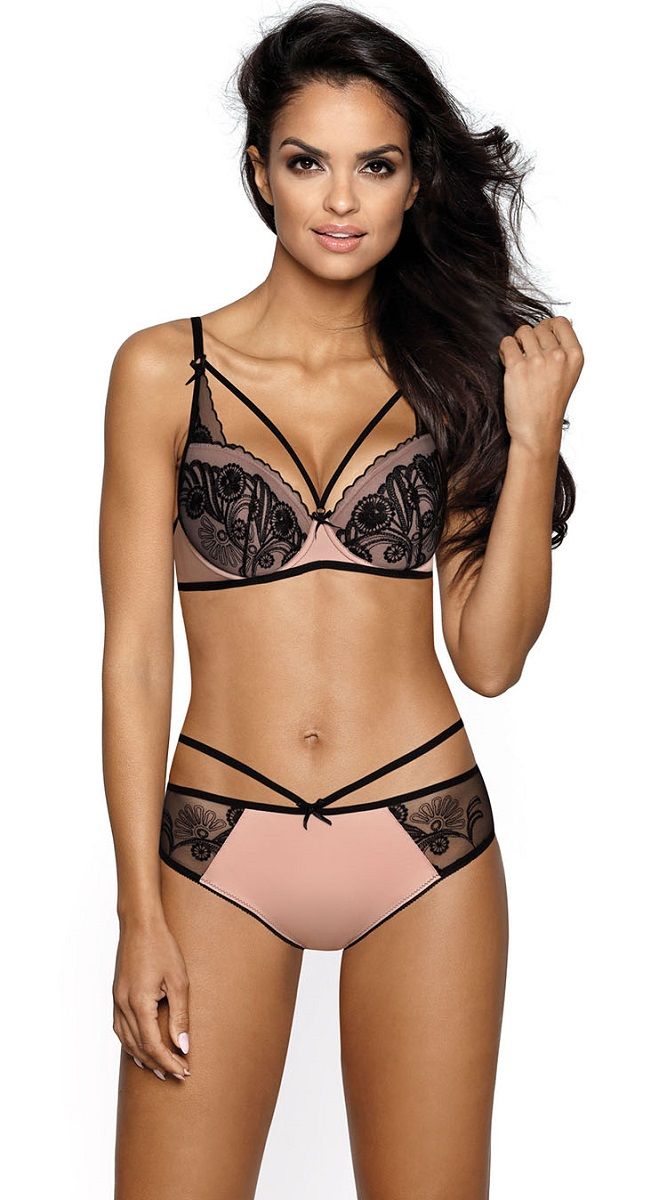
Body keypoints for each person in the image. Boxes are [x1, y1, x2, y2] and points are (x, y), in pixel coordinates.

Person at [99, 4, 583, 1196]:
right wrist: (139, 915)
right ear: (260, 169)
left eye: (376, 165)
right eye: (308, 161)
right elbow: (135, 659)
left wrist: (532, 439)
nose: (340, 200)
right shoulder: (164, 369)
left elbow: (490, 657)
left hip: (427, 838)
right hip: (217, 846)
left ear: (416, 183)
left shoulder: (452, 376)